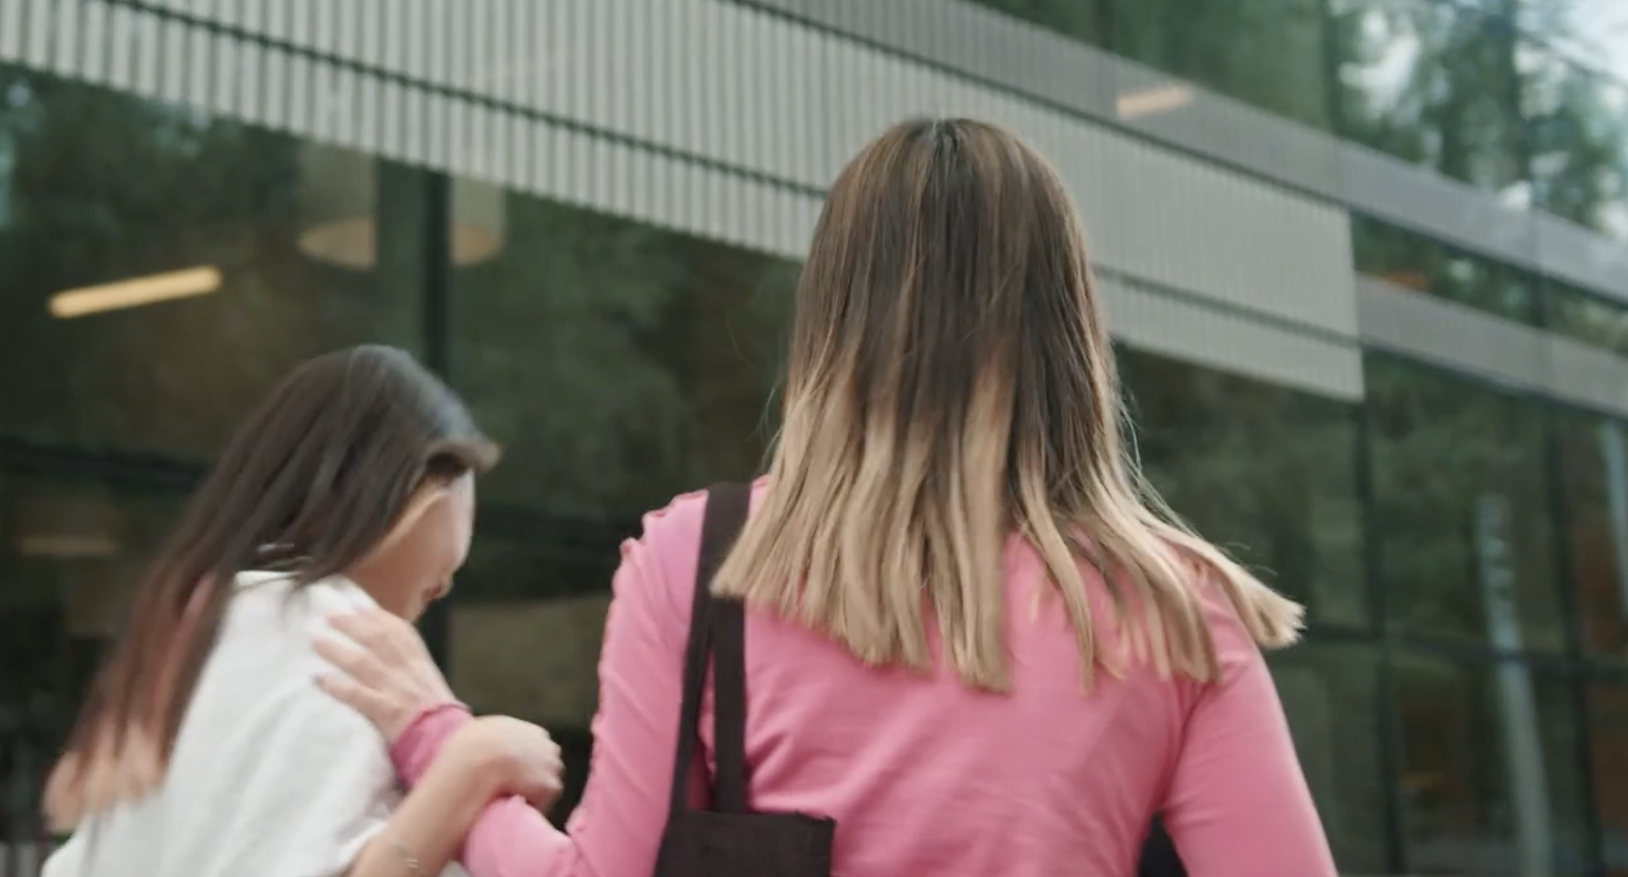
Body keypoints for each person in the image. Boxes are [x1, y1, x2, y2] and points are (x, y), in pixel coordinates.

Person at [314, 119, 1338, 877]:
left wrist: (437, 734)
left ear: (834, 318)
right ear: (1067, 330)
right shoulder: (1176, 604)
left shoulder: (699, 556)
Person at [40, 345, 566, 877]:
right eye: (452, 489)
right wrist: (473, 766)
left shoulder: (200, 631)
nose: (444, 589)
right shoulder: (319, 629)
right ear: (384, 494)